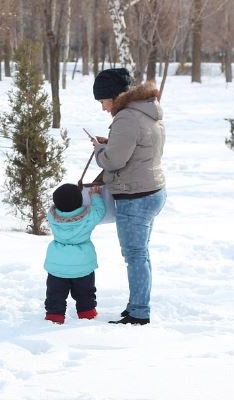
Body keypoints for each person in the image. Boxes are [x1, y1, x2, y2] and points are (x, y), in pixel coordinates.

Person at [91, 68, 166, 325]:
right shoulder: (146, 110)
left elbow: (113, 161)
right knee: (140, 254)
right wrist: (110, 143)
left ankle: (139, 312)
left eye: (102, 101)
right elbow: (136, 148)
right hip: (152, 189)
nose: (102, 108)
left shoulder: (126, 118)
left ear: (113, 96)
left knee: (135, 255)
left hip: (135, 195)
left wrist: (102, 150)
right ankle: (138, 304)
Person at [44, 183, 106, 324]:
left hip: (57, 267)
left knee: (55, 293)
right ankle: (87, 313)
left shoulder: (52, 217)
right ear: (80, 201)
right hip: (82, 265)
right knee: (85, 292)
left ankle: (54, 315)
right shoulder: (88, 217)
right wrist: (95, 195)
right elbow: (100, 211)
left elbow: (54, 207)